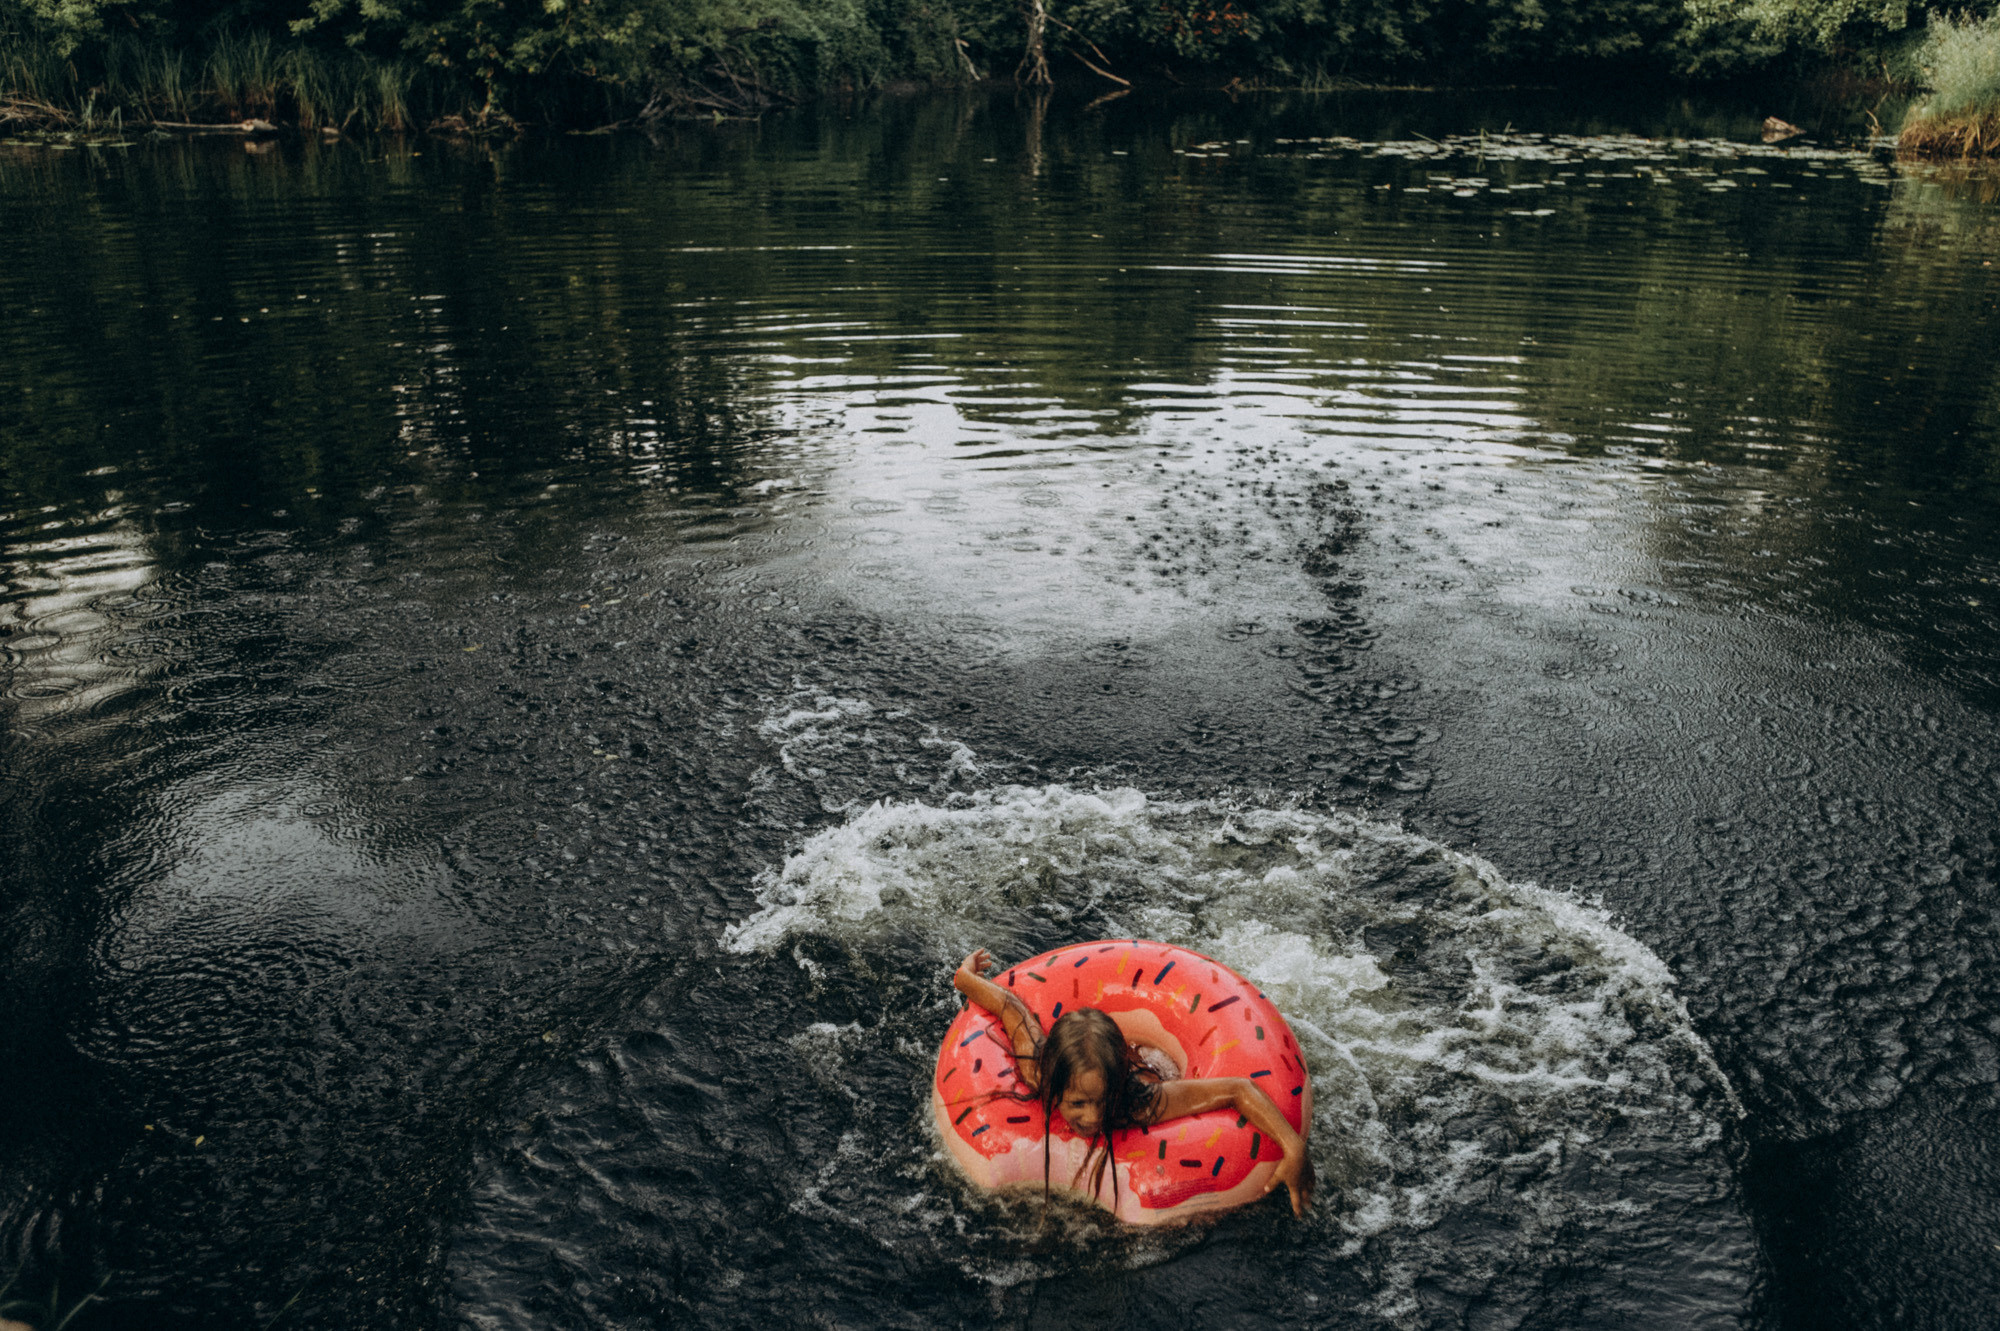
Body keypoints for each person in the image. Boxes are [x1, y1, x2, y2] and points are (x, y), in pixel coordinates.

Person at [953, 948, 1314, 1218]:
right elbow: (1010, 1007)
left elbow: (1237, 1089)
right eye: (1078, 1103)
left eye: (1101, 1101)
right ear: (1054, 1086)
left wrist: (1293, 1148)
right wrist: (966, 977)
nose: (1094, 1117)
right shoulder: (1038, 1071)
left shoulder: (1139, 1101)